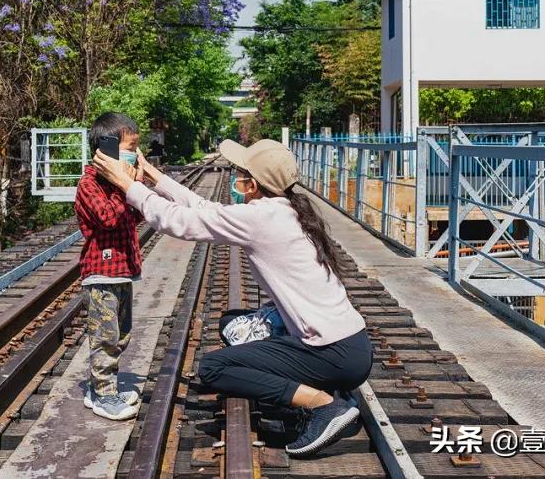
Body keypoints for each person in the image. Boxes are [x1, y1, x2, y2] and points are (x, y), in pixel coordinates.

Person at [91, 138, 372, 457]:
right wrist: (154, 176)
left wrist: (127, 184)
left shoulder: (259, 219)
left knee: (213, 368)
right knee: (231, 325)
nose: (234, 178)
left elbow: (179, 221)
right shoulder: (282, 209)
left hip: (333, 354)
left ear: (252, 183)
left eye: (239, 173)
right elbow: (206, 209)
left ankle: (324, 405)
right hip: (351, 345)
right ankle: (322, 388)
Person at [73, 112, 146, 421]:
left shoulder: (117, 184)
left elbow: (135, 218)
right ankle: (104, 395)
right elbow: (109, 218)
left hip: (122, 271)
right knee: (105, 337)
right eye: (131, 147)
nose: (136, 155)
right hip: (100, 274)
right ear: (110, 148)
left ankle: (98, 387)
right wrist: (126, 186)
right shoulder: (89, 184)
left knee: (121, 334)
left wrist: (134, 189)